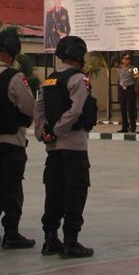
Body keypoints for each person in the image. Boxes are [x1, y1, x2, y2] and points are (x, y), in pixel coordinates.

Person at [34, 35, 96, 259]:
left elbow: (39, 108)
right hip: (74, 145)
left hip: (53, 148)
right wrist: (59, 129)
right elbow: (76, 110)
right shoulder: (78, 79)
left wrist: (44, 131)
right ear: (79, 55)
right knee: (75, 192)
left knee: (54, 192)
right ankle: (71, 241)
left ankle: (50, 239)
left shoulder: (49, 79)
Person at [0, 28, 36, 249]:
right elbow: (29, 107)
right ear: (13, 53)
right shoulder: (15, 77)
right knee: (12, 188)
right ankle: (11, 232)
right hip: (12, 142)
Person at [115, 53, 139, 134]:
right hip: (122, 89)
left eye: (128, 58)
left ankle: (133, 127)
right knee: (123, 109)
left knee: (131, 109)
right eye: (125, 58)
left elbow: (137, 80)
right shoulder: (119, 69)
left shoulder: (134, 69)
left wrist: (136, 89)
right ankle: (124, 126)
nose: (127, 60)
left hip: (130, 89)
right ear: (122, 60)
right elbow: (119, 79)